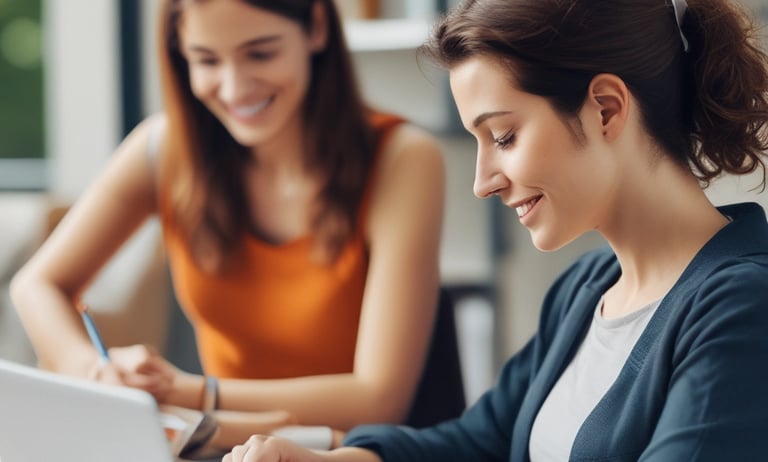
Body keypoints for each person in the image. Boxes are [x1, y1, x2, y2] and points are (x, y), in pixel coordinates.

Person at [221, 0, 768, 460]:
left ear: (605, 109)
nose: (483, 183)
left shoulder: (742, 307)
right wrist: (330, 459)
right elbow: (480, 441)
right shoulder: (586, 290)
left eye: (503, 137)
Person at [10, 0, 449, 454]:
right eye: (206, 60)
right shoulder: (163, 150)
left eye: (261, 53)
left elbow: (378, 401)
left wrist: (187, 392)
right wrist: (94, 372)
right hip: (227, 449)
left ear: (317, 26)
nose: (235, 87)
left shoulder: (403, 159)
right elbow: (37, 285)